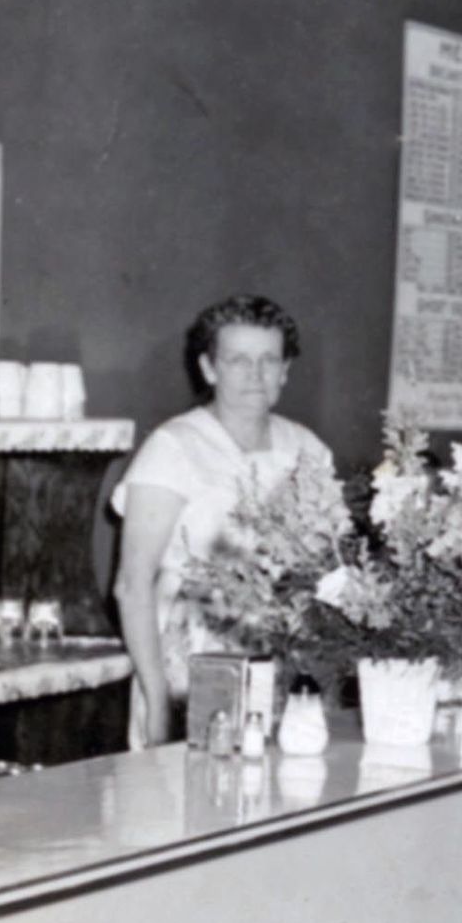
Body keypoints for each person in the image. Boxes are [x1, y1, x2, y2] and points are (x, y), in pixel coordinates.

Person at [112, 296, 333, 748]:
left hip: (286, 660)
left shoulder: (307, 448)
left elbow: (325, 569)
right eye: (238, 360)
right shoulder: (174, 447)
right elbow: (132, 585)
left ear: (285, 370)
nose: (256, 375)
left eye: (269, 360)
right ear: (209, 369)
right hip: (191, 661)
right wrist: (157, 701)